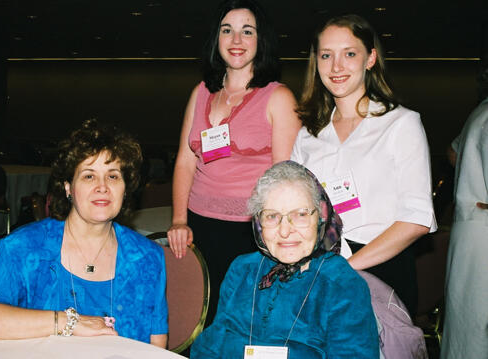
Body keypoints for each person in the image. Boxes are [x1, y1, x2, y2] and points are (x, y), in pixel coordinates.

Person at [0, 119, 168, 347]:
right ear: (68, 187)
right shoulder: (25, 248)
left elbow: (156, 345)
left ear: (125, 189)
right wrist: (68, 321)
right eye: (89, 175)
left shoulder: (148, 258)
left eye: (113, 176)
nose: (102, 186)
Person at [291, 14, 436, 316]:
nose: (337, 67)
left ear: (370, 58)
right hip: (319, 270)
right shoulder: (308, 134)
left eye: (350, 54)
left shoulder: (400, 124)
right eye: (326, 55)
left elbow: (417, 219)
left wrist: (345, 267)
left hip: (382, 271)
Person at [167, 0, 301, 322]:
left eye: (247, 31)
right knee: (202, 320)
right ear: (217, 39)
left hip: (251, 233)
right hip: (199, 226)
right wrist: (179, 220)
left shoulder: (278, 97)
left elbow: (285, 179)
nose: (236, 40)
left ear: (261, 40)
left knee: (246, 324)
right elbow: (186, 160)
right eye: (227, 30)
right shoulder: (200, 92)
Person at [190, 161, 378, 358]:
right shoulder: (242, 270)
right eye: (272, 216)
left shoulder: (341, 285)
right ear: (258, 223)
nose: (285, 231)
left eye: (300, 215)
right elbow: (210, 346)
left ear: (321, 218)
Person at [441, 66, 488, 359]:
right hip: (481, 234)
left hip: (471, 228)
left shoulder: (481, 111)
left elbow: (452, 151)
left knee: (467, 329)